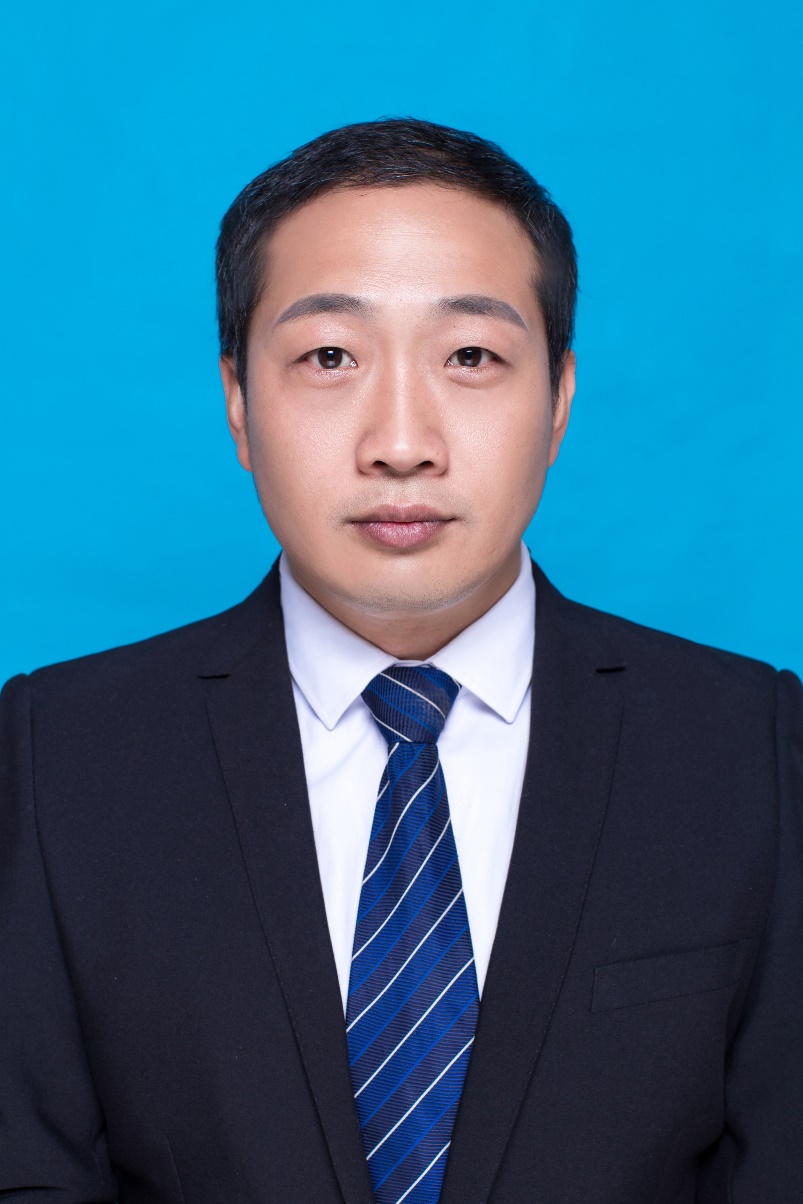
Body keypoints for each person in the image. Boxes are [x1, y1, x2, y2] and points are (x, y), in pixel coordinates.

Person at [1, 117, 801, 1204]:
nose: (400, 443)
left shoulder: (748, 744)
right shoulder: (60, 754)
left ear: (558, 400)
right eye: (329, 357)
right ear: (237, 402)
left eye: (469, 357)